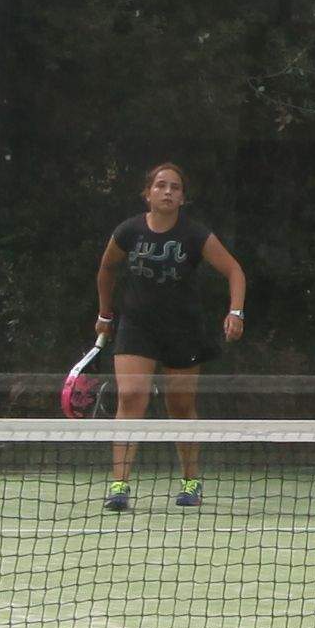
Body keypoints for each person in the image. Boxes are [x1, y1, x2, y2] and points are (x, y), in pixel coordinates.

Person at [89, 160, 249, 511]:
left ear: (182, 198)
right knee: (131, 397)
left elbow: (235, 270)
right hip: (137, 327)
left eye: (175, 187)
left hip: (183, 330)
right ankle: (119, 486)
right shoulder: (128, 232)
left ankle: (191, 482)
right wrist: (104, 313)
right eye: (161, 185)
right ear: (148, 193)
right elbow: (106, 269)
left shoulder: (196, 235)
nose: (168, 192)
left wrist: (235, 311)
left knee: (180, 406)